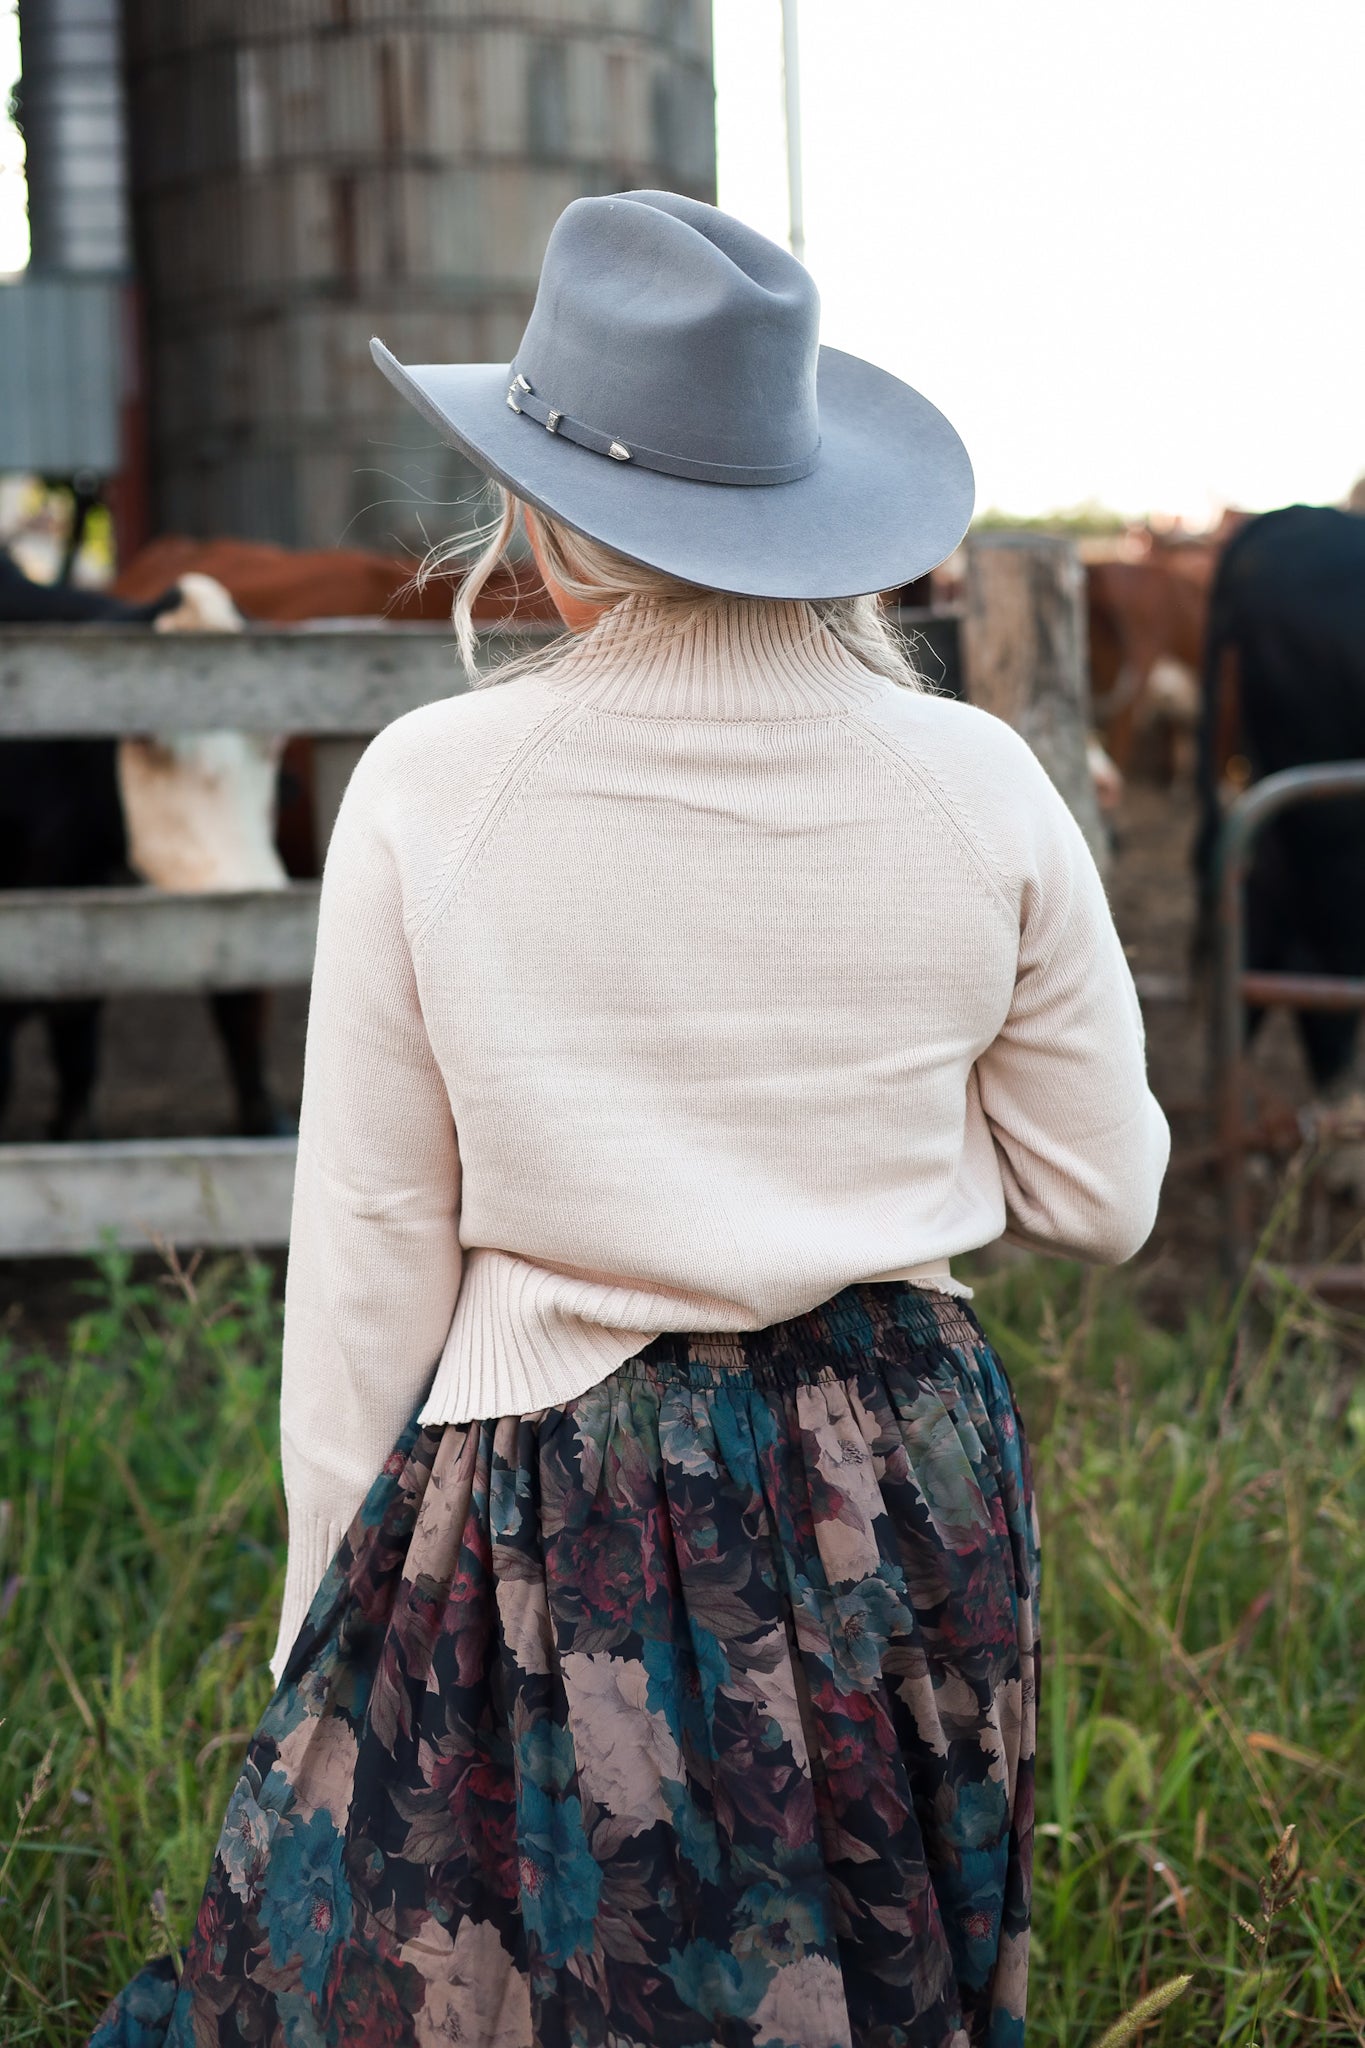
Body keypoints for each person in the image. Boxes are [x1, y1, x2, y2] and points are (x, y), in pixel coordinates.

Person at [92, 190, 1169, 2048]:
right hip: (900, 1481)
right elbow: (1104, 1198)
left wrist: (316, 1643)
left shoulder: (434, 787)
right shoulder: (978, 780)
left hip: (554, 1488)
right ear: (805, 496)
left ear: (538, 508)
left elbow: (369, 1259)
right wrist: (857, 1145)